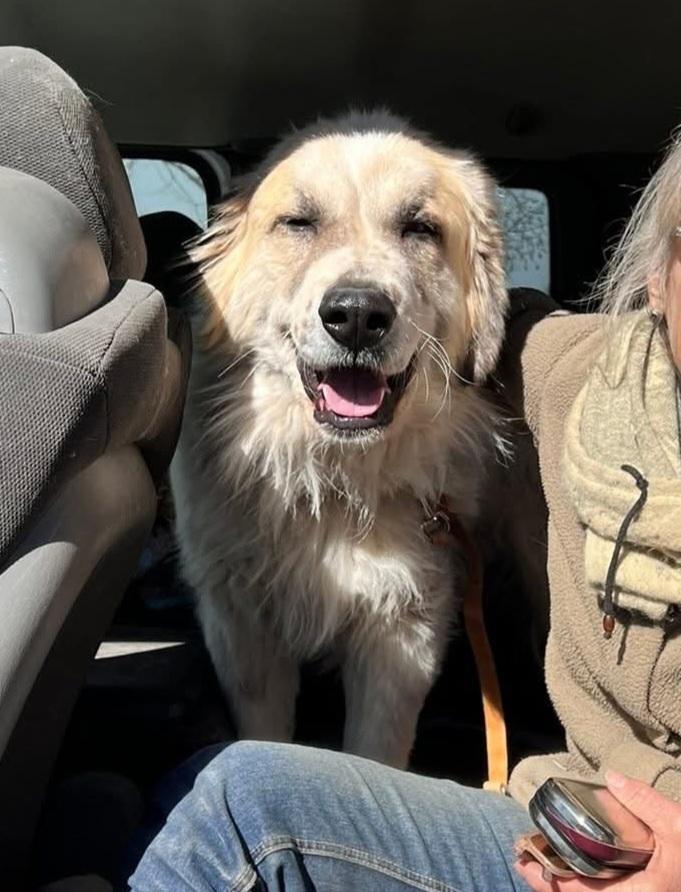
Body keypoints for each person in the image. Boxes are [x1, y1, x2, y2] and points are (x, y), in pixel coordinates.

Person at [129, 130, 681, 892]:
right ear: (657, 276)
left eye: (417, 229)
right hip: (575, 804)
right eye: (300, 223)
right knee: (158, 791)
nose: (359, 292)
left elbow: (485, 327)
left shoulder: (486, 376)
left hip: (612, 838)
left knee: (230, 802)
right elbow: (522, 332)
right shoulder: (591, 378)